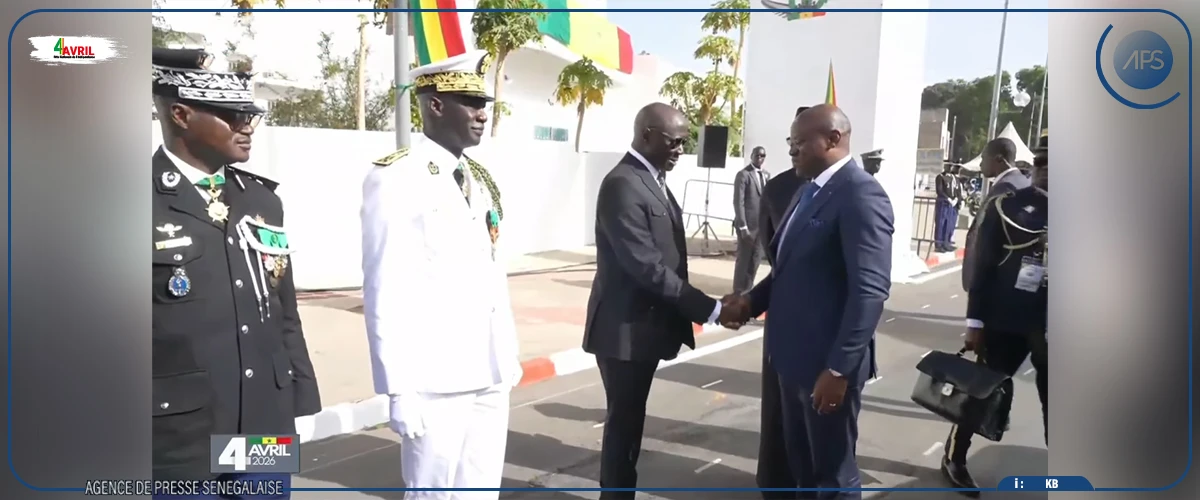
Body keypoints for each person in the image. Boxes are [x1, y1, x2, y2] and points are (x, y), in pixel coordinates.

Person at [150, 47, 321, 499]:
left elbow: (283, 310)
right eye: (231, 113)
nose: (247, 125)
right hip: (180, 434)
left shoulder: (262, 202)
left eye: (250, 113)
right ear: (181, 114)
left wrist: (299, 394)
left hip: (264, 421)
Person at [360, 50, 522, 499]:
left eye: (483, 103)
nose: (481, 113)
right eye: (470, 103)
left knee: (480, 490)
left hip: (489, 368)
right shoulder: (395, 178)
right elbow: (383, 287)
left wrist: (506, 350)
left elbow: (492, 272)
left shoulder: (480, 178)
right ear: (435, 105)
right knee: (433, 493)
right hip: (434, 377)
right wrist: (398, 390)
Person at [724, 104, 893, 499]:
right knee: (801, 471)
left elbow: (869, 291)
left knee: (832, 478)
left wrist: (838, 368)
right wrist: (750, 302)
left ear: (833, 139)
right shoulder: (808, 190)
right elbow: (786, 270)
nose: (792, 151)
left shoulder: (861, 194)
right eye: (790, 142)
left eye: (799, 142)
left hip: (826, 368)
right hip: (791, 362)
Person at [584, 102, 733, 499]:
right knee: (624, 425)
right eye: (674, 141)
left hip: (643, 328)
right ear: (646, 134)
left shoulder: (651, 178)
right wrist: (712, 309)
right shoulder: (623, 183)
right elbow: (645, 265)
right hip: (624, 329)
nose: (680, 150)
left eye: (684, 142)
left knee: (630, 423)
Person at [941, 131, 1048, 497]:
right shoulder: (1009, 205)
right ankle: (955, 456)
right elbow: (982, 266)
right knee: (982, 392)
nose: (1046, 171)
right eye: (1041, 163)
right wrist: (975, 323)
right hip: (1006, 321)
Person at [751, 105, 813, 499]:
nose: (795, 150)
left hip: (797, 316)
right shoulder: (778, 188)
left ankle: (778, 480)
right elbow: (775, 256)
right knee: (787, 409)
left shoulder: (852, 190)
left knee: (791, 410)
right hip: (794, 315)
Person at [961, 138, 1030, 290]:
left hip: (995, 281)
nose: (980, 164)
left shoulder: (1004, 189)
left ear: (999, 159)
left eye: (984, 158)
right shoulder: (1022, 182)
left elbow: (987, 238)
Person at [732, 146, 770, 296]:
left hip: (761, 226)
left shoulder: (766, 175)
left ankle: (747, 291)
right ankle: (737, 292)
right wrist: (742, 226)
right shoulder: (743, 175)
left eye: (763, 156)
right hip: (747, 226)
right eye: (757, 155)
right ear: (752, 156)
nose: (760, 158)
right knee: (743, 260)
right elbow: (738, 202)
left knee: (755, 260)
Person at [934, 162, 962, 252]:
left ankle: (947, 243)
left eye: (951, 166)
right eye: (947, 166)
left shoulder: (955, 178)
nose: (949, 168)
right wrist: (948, 199)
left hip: (953, 205)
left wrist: (958, 200)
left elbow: (958, 191)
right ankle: (939, 244)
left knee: (950, 225)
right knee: (941, 224)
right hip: (944, 203)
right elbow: (940, 190)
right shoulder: (940, 177)